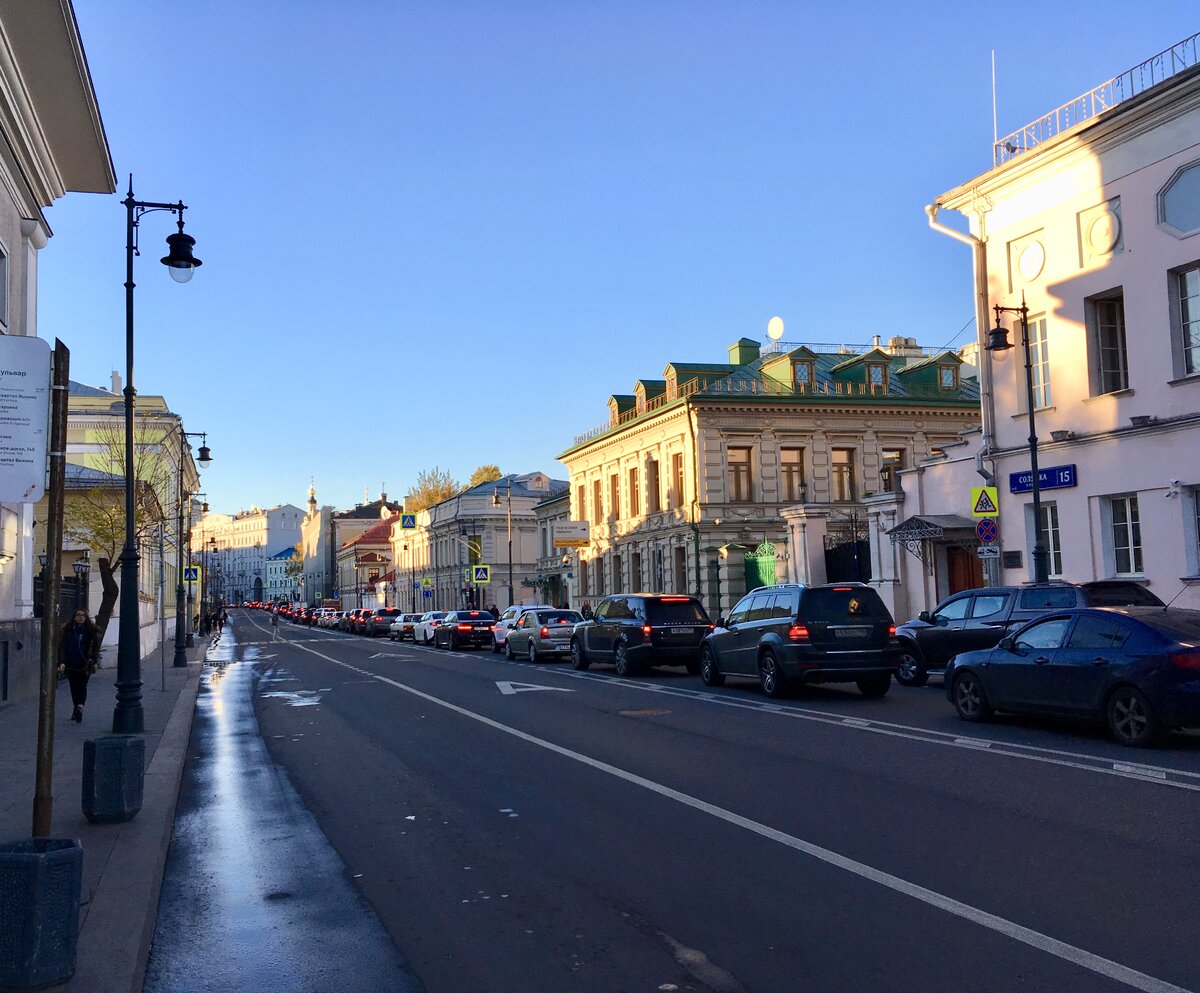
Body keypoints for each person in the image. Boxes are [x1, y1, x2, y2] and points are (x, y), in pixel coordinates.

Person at [58, 608, 100, 724]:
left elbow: (95, 649)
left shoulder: (91, 632)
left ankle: (80, 707)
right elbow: (62, 647)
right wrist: (61, 662)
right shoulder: (68, 631)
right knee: (73, 687)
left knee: (82, 686)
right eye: (78, 615)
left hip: (85, 664)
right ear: (74, 617)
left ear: (86, 618)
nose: (80, 617)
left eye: (83, 615)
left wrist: (95, 661)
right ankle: (76, 707)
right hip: (71, 663)